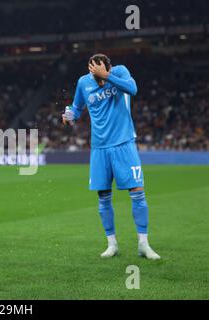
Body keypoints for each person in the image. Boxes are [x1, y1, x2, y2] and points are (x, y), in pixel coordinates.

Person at [62, 53, 160, 260]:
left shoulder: (120, 72)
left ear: (109, 67)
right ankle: (112, 243)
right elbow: (77, 108)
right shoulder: (83, 82)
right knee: (103, 197)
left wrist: (107, 76)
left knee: (137, 192)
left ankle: (143, 244)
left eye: (100, 73)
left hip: (124, 143)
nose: (97, 79)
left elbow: (133, 89)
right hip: (99, 148)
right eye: (94, 74)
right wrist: (70, 115)